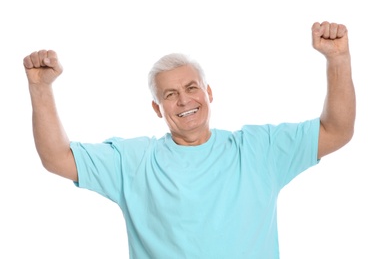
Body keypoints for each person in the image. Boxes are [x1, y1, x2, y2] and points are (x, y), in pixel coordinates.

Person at [23, 21, 355, 258]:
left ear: (209, 93)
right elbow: (56, 157)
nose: (184, 101)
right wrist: (41, 88)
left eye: (192, 88)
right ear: (157, 108)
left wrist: (337, 60)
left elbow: (336, 130)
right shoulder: (135, 161)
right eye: (170, 94)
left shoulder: (258, 149)